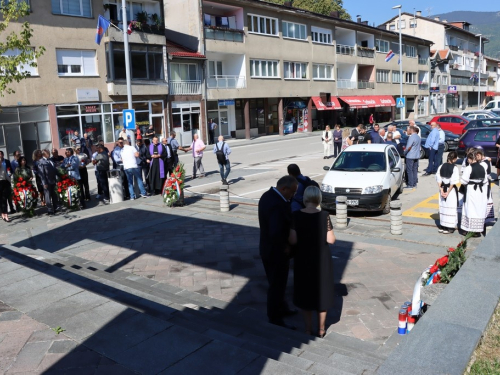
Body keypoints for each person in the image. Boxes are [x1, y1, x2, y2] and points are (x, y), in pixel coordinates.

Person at [292, 186, 336, 337]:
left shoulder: (296, 215)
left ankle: (307, 329)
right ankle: (322, 329)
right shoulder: (324, 215)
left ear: (305, 198)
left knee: (306, 294)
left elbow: (292, 239)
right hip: (321, 259)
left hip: (303, 258)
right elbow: (331, 239)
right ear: (318, 199)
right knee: (322, 293)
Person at [258, 175, 298, 329]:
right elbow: (276, 232)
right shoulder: (276, 203)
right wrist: (285, 247)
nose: (293, 195)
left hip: (267, 249)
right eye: (292, 192)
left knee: (277, 283)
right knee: (277, 285)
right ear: (284, 189)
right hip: (276, 252)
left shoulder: (267, 196)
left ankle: (282, 308)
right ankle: (275, 317)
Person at [460, 150, 488, 237]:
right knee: (478, 209)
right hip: (481, 191)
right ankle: (477, 230)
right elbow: (485, 181)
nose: (467, 160)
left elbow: (463, 181)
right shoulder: (482, 167)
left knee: (470, 208)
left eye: (468, 158)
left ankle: (469, 230)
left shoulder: (469, 168)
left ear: (471, 159)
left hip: (472, 190)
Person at [435, 151, 459, 234]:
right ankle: (450, 227)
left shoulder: (441, 166)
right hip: (450, 190)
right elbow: (453, 182)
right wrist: (448, 192)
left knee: (443, 207)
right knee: (451, 208)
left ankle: (442, 226)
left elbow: (438, 178)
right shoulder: (455, 168)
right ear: (455, 159)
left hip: (442, 189)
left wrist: (441, 190)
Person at [476, 147, 495, 227]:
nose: (476, 157)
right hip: (484, 183)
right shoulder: (485, 161)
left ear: (481, 155)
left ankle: (483, 218)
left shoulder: (484, 163)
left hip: (484, 184)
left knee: (485, 200)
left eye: (478, 155)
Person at [38, 149, 59, 216]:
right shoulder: (41, 162)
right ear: (44, 154)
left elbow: (54, 169)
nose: (49, 154)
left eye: (49, 152)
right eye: (48, 153)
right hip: (47, 182)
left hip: (53, 180)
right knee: (47, 196)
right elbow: (41, 174)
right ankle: (49, 209)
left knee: (54, 194)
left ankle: (56, 207)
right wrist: (44, 183)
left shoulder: (50, 160)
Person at [0, 151, 13, 222]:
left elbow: (6, 176)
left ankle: (6, 214)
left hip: (4, 183)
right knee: (0, 200)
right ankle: (2, 213)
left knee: (4, 199)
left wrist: (10, 182)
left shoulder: (2, 167)